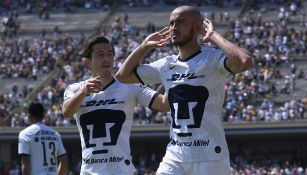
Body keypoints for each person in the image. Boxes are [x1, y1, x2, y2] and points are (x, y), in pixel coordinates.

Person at [116, 5, 253, 175]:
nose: (173, 27)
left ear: (196, 27)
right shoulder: (166, 65)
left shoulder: (212, 58)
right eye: (171, 23)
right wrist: (144, 46)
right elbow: (122, 76)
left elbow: (244, 61)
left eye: (180, 22)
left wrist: (213, 36)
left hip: (211, 157)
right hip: (176, 155)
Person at [62, 36, 169, 174]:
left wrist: (173, 78)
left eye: (110, 54)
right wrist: (84, 92)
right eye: (100, 55)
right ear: (87, 62)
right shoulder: (75, 89)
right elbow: (67, 112)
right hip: (90, 171)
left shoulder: (130, 86)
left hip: (121, 171)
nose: (106, 59)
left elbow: (164, 105)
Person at [18, 102, 68, 175]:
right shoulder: (55, 134)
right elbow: (64, 163)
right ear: (43, 116)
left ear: (29, 116)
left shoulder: (25, 134)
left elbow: (25, 165)